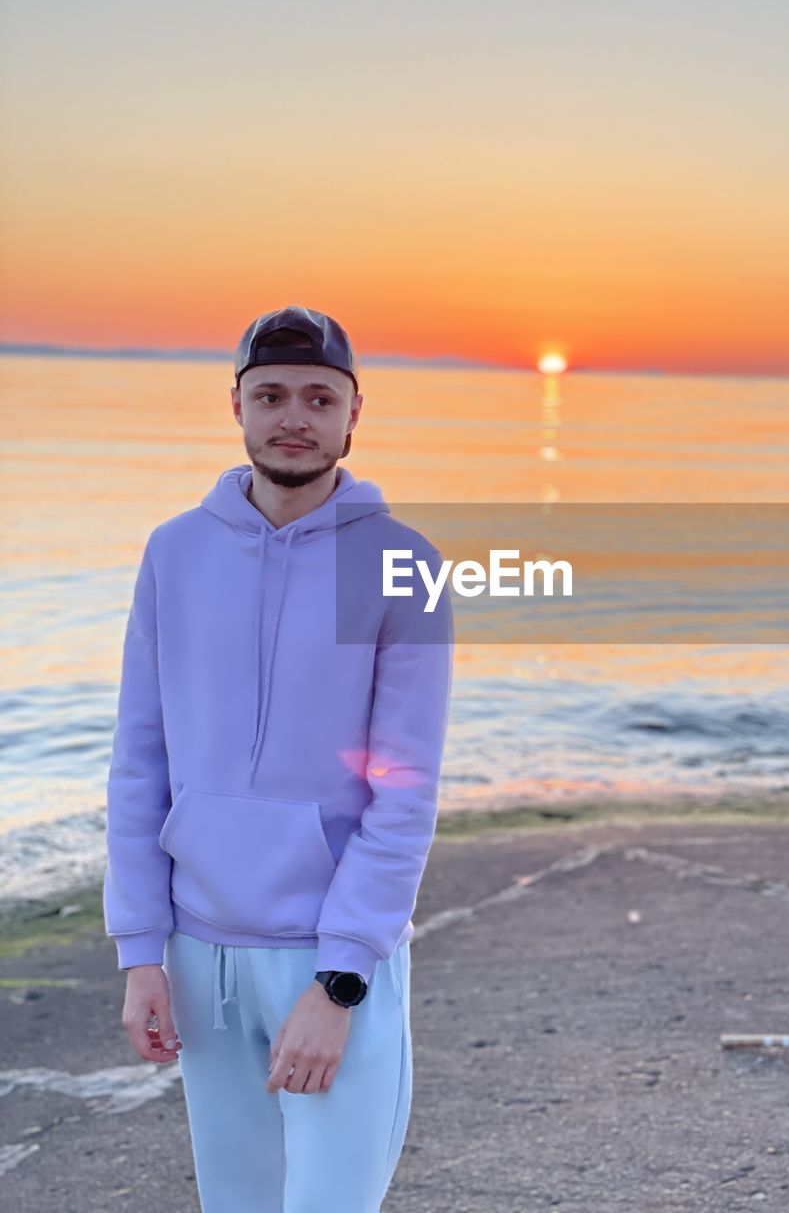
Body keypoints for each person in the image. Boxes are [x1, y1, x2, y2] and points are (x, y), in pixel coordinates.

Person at [102, 305, 455, 1212]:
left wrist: (338, 984)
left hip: (328, 955)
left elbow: (403, 796)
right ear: (237, 407)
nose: (293, 415)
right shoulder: (175, 553)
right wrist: (142, 951)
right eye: (271, 395)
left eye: (317, 396)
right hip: (198, 955)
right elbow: (141, 761)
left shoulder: (398, 564)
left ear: (352, 413)